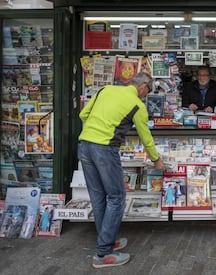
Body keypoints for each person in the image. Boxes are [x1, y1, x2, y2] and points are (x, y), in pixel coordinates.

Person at [77, 72, 165, 269]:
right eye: (147, 91)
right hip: (105, 149)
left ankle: (106, 240)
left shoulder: (105, 90)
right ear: (143, 86)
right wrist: (156, 160)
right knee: (117, 198)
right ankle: (103, 254)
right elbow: (146, 137)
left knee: (98, 197)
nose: (145, 95)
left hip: (84, 145)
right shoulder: (137, 106)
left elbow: (83, 114)